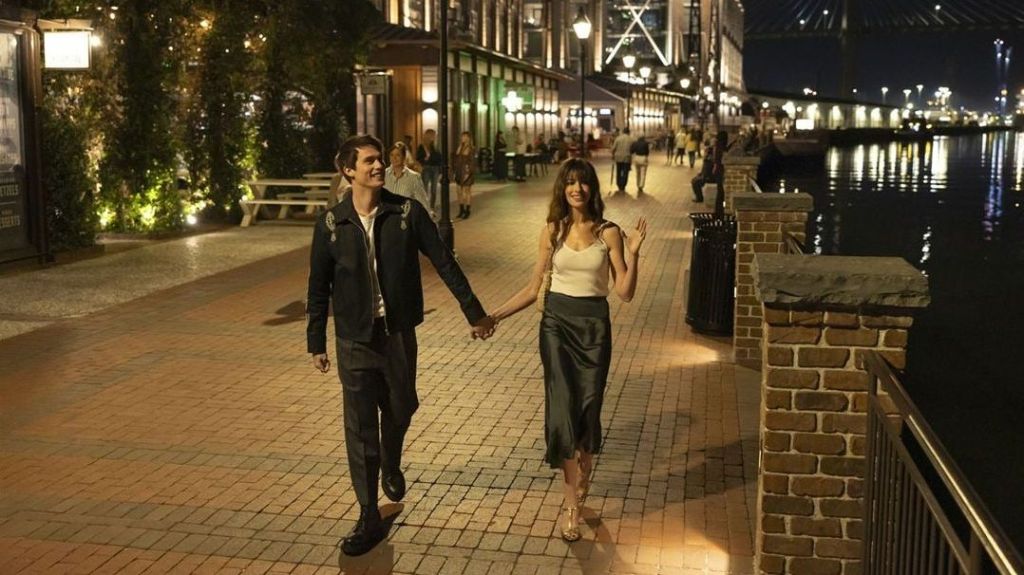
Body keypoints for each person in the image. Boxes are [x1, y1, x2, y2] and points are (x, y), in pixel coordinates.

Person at [307, 134, 497, 556]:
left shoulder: (406, 212)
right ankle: (368, 514)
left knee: (401, 406)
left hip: (396, 335)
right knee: (360, 428)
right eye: (369, 161)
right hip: (353, 339)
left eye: (379, 159)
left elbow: (444, 260)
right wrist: (315, 340)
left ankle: (390, 460)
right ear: (348, 170)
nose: (378, 166)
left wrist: (474, 312)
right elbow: (318, 287)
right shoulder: (331, 224)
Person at [488, 158, 647, 542]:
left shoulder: (609, 232)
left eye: (583, 182)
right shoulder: (552, 231)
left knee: (588, 408)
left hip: (594, 328)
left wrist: (635, 253)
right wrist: (494, 316)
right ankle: (571, 505)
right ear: (563, 188)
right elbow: (533, 289)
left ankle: (584, 466)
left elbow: (624, 293)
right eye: (571, 182)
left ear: (592, 188)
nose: (577, 189)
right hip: (556, 326)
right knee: (562, 411)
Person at [385, 142, 432, 217]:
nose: (394, 158)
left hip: (405, 219)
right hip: (386, 219)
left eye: (398, 155)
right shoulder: (383, 175)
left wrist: (429, 215)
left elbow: (422, 200)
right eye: (391, 155)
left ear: (404, 157)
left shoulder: (414, 177)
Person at [416, 129, 443, 210]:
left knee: (434, 189)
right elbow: (418, 157)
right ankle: (425, 206)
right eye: (433, 135)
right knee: (425, 188)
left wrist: (440, 169)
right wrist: (425, 159)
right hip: (426, 168)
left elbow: (439, 157)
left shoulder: (435, 146)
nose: (435, 137)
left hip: (435, 168)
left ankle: (432, 206)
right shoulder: (422, 146)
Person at [453, 131, 476, 219]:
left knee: (466, 191)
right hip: (459, 171)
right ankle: (461, 209)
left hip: (466, 171)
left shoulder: (471, 148)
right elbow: (456, 159)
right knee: (459, 191)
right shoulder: (460, 147)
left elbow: (472, 162)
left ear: (468, 138)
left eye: (464, 136)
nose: (462, 138)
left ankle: (467, 210)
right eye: (462, 136)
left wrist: (468, 172)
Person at [610, 127, 635, 193]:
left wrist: (612, 154)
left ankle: (618, 184)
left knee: (618, 171)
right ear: (628, 132)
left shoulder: (618, 138)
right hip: (627, 158)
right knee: (625, 172)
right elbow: (633, 149)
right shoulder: (631, 139)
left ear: (623, 132)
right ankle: (623, 185)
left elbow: (613, 148)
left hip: (618, 158)